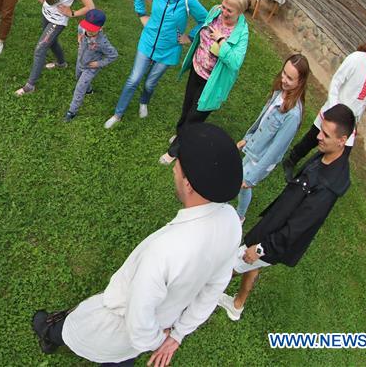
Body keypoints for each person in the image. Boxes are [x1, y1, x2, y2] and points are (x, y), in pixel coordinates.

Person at [32, 123, 243, 366]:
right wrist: (176, 335)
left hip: (115, 325)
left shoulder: (165, 250)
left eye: (179, 164)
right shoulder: (230, 221)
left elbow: (139, 325)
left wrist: (156, 340)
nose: (175, 167)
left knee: (74, 329)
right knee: (122, 358)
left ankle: (48, 333)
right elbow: (215, 287)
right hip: (158, 324)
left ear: (189, 184)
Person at [217, 104, 355, 322]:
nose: (318, 136)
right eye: (320, 129)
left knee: (229, 267)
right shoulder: (326, 154)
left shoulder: (328, 187)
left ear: (342, 140)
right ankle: (237, 306)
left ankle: (195, 301)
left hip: (277, 238)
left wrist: (262, 248)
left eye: (326, 135)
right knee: (252, 265)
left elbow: (298, 227)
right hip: (275, 222)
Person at [105, 0, 207, 129]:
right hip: (148, 42)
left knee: (149, 84)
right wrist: (141, 14)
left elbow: (205, 19)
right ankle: (118, 114)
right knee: (134, 79)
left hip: (169, 50)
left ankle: (144, 101)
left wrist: (189, 37)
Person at [160, 0, 251, 165]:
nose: (223, 11)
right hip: (197, 69)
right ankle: (180, 135)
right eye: (223, 6)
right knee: (187, 108)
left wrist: (221, 41)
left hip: (212, 82)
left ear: (239, 12)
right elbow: (203, 28)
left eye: (229, 11)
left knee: (195, 117)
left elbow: (235, 62)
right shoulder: (215, 12)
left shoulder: (242, 33)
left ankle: (175, 151)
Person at [283, 36, 366, 177]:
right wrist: (334, 109)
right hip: (333, 111)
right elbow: (336, 81)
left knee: (334, 151)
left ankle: (307, 173)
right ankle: (291, 160)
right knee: (313, 139)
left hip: (348, 120)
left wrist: (356, 120)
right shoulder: (356, 59)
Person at [235, 54, 309, 221]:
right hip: (254, 148)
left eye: (290, 78)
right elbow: (262, 119)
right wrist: (248, 137)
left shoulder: (293, 115)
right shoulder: (279, 92)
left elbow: (276, 150)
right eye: (284, 73)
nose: (284, 79)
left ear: (300, 82)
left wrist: (254, 176)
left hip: (262, 158)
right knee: (239, 179)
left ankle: (239, 216)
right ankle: (232, 209)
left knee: (244, 183)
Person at [15, 0, 94, 96]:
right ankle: (61, 63)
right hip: (45, 13)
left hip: (57, 21)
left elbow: (90, 6)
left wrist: (72, 13)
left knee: (40, 49)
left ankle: (30, 85)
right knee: (52, 42)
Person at [64, 9, 118, 122]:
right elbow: (80, 28)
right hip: (80, 62)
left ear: (100, 28)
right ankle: (89, 90)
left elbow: (113, 55)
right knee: (78, 77)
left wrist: (99, 63)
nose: (88, 31)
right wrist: (79, 36)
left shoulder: (102, 42)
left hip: (90, 68)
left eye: (92, 30)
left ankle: (72, 111)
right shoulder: (83, 28)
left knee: (79, 88)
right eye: (87, 27)